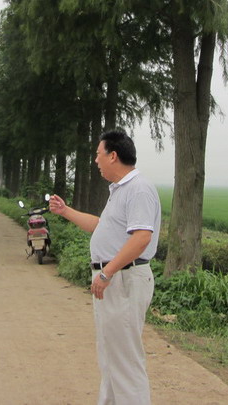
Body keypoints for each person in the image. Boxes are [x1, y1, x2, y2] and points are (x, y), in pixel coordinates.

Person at [49, 129, 161, 405]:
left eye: (98, 155)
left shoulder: (138, 189)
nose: (96, 160)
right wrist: (65, 211)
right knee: (111, 356)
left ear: (113, 156)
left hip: (124, 279)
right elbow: (102, 226)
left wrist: (107, 271)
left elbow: (142, 237)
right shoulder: (120, 190)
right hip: (116, 279)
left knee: (125, 361)